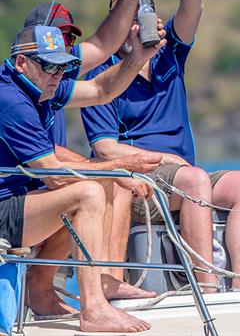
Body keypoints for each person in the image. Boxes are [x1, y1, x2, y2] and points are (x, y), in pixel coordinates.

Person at [80, 0, 240, 305]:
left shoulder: (170, 57)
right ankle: (204, 287)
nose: (144, 26)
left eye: (148, 17)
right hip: (138, 183)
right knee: (194, 181)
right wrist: (163, 159)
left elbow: (194, 7)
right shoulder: (101, 77)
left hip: (184, 176)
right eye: (134, 19)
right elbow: (104, 149)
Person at [0, 22, 165, 332]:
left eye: (63, 67)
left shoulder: (39, 84)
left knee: (93, 183)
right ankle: (94, 309)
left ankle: (42, 287)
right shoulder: (11, 100)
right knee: (86, 192)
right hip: (3, 210)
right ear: (22, 63)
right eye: (50, 66)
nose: (57, 76)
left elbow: (101, 90)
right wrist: (119, 167)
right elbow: (54, 176)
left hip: (18, 201)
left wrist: (137, 58)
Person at [20, 0, 159, 312]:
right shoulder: (18, 94)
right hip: (22, 188)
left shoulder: (53, 76)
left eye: (67, 42)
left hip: (36, 181)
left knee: (100, 183)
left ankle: (95, 284)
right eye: (54, 46)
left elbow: (102, 62)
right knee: (91, 189)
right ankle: (86, 298)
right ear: (25, 56)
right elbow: (49, 162)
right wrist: (113, 169)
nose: (62, 55)